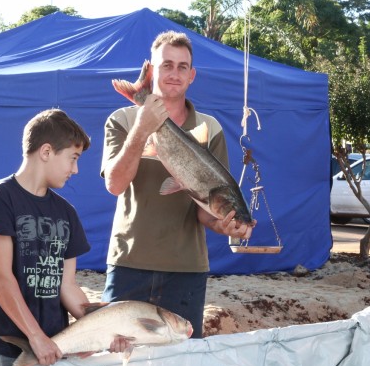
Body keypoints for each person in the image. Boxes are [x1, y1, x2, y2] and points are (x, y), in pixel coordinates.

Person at [100, 31, 256, 339]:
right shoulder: (121, 119)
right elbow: (115, 185)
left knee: (182, 361)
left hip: (186, 271)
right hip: (129, 262)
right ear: (152, 69)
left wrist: (225, 225)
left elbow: (205, 208)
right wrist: (141, 129)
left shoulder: (209, 128)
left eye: (182, 66)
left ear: (192, 75)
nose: (174, 73)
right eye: (167, 65)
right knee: (118, 356)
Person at [0, 108, 105, 366]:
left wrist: (105, 329)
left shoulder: (66, 212)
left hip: (53, 347)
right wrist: (35, 336)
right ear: (46, 152)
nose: (76, 169)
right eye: (73, 158)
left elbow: (67, 285)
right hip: (3, 349)